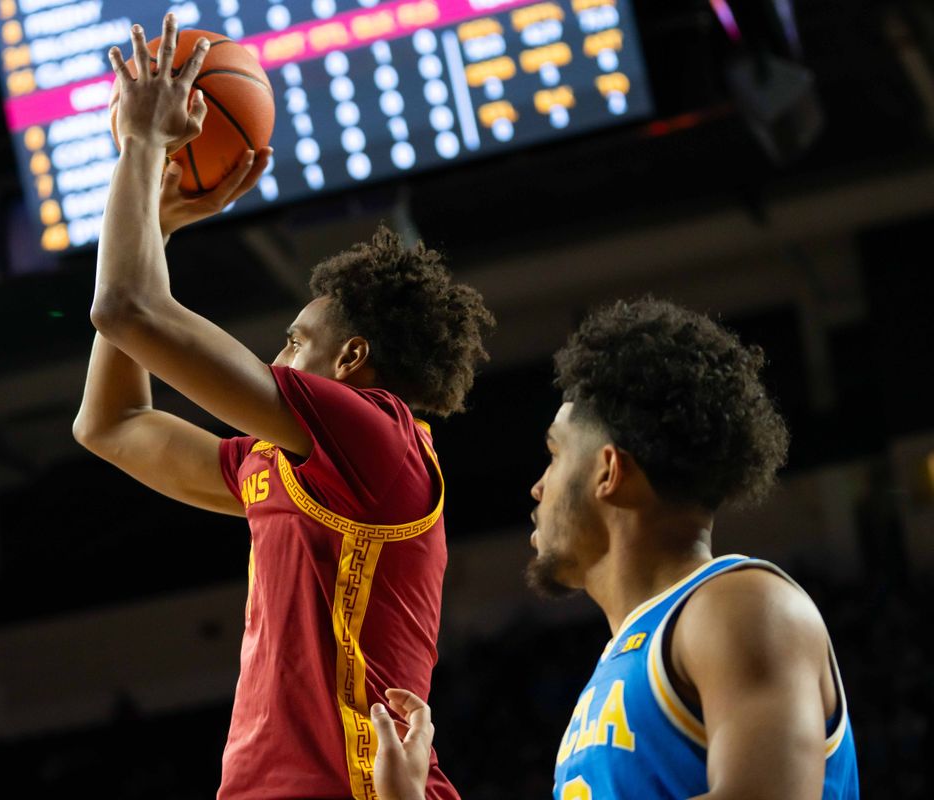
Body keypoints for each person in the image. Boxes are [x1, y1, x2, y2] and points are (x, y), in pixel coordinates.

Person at [74, 14, 494, 800]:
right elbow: (112, 426)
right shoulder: (291, 471)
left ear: (352, 360)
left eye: (295, 342)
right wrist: (156, 224)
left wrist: (142, 146)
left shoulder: (379, 444)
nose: (276, 361)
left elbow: (127, 307)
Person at [371, 297, 859, 799]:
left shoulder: (742, 604)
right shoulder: (622, 665)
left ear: (608, 471)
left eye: (554, 456)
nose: (537, 488)